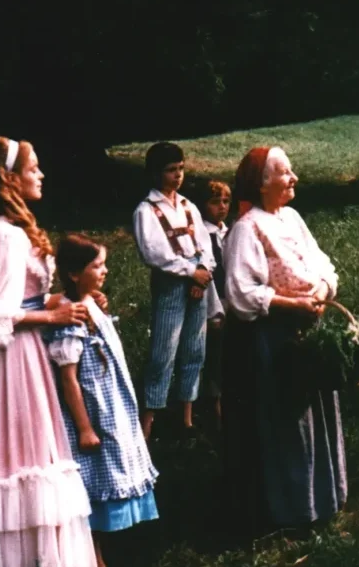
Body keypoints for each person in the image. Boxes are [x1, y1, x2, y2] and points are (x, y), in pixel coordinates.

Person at [0, 136, 98, 567]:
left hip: (28, 353)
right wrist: (53, 319)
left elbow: (29, 298)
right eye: (34, 169)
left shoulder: (16, 232)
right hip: (12, 358)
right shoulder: (3, 237)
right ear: (9, 178)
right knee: (17, 453)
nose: (42, 175)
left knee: (36, 452)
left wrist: (61, 304)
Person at [221, 146, 346, 534]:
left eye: (291, 172)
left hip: (311, 326)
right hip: (275, 338)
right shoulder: (247, 228)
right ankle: (291, 509)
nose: (293, 179)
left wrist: (323, 290)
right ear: (262, 183)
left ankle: (324, 497)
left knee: (316, 414)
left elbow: (322, 261)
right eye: (285, 172)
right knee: (287, 421)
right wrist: (292, 305)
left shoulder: (290, 217)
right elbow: (240, 293)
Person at [46, 234, 160, 567]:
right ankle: (93, 554)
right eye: (97, 266)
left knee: (118, 469)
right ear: (73, 274)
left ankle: (111, 549)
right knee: (93, 486)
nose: (105, 271)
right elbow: (69, 380)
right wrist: (84, 427)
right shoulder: (71, 319)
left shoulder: (91, 304)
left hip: (114, 407)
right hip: (94, 413)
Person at [132, 142, 215, 438]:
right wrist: (190, 272)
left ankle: (187, 415)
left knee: (195, 347)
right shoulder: (147, 210)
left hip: (198, 280)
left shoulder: (188, 206)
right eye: (170, 170)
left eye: (180, 169)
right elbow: (154, 253)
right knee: (164, 350)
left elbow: (205, 245)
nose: (177, 175)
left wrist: (202, 273)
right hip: (171, 283)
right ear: (155, 173)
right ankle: (150, 417)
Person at [199, 180, 232, 431]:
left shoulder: (228, 231)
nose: (221, 207)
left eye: (225, 201)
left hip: (233, 299)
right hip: (216, 300)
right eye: (215, 202)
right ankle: (214, 405)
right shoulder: (204, 235)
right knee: (216, 354)